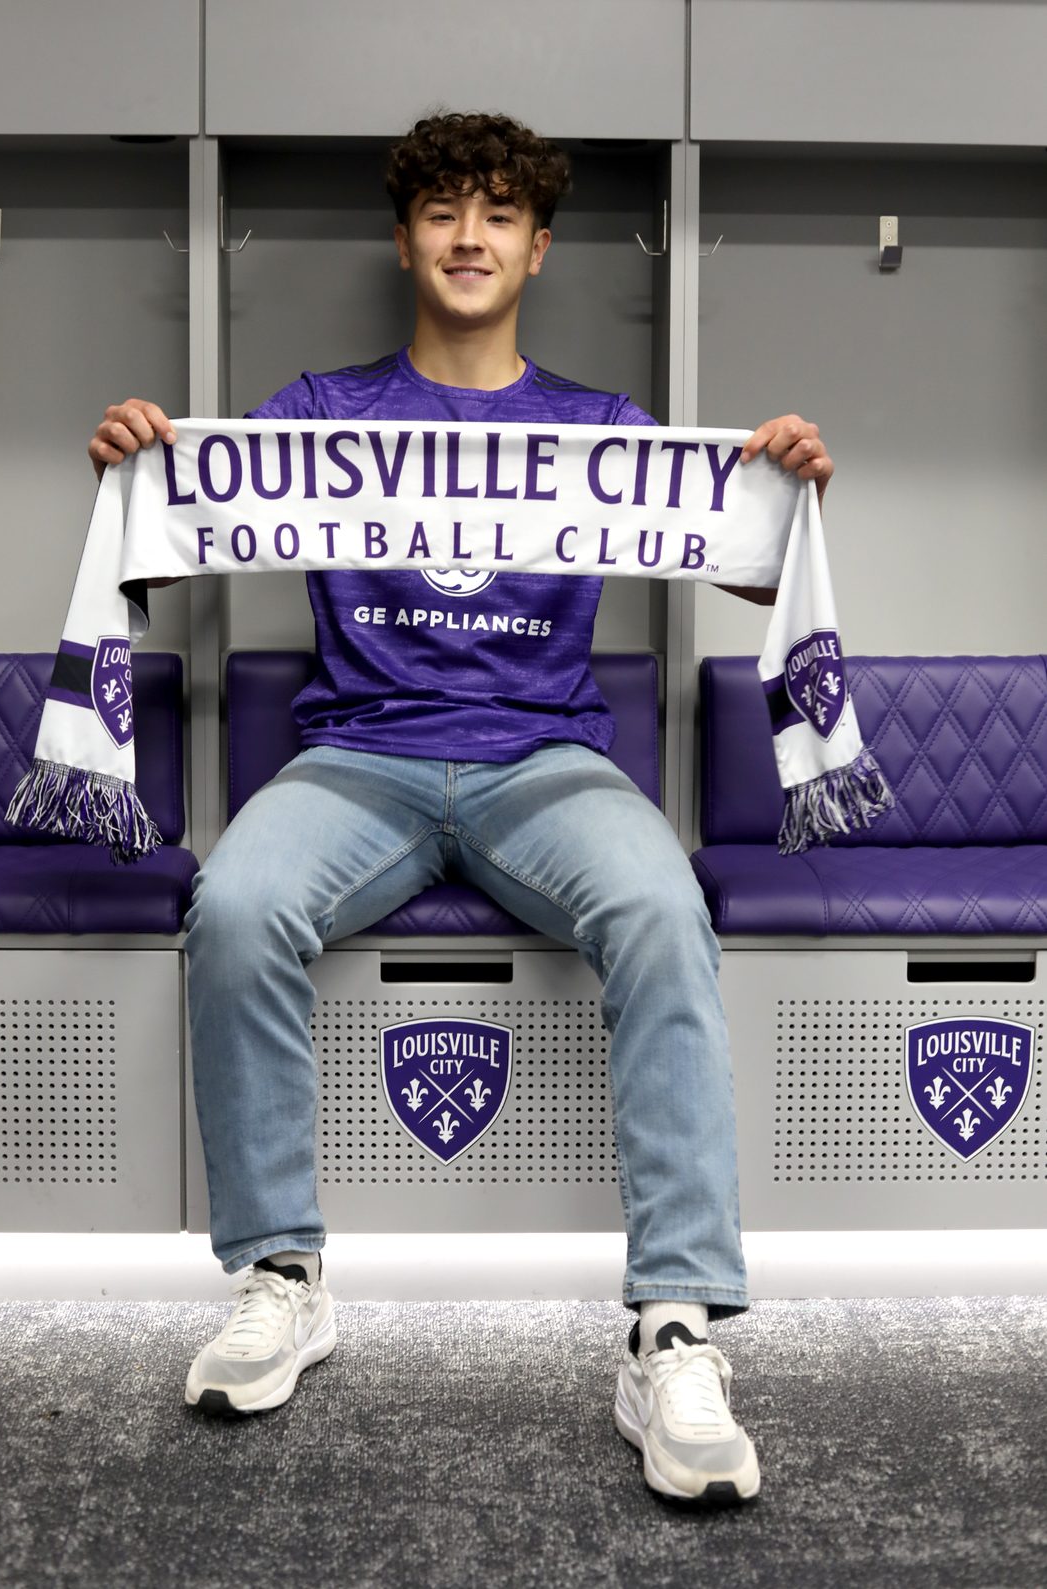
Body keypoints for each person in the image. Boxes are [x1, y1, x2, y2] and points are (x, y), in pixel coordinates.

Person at [88, 113, 832, 1504]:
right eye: (442, 211)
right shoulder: (317, 415)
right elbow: (183, 532)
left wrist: (777, 489)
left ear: (539, 248)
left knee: (668, 910)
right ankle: (283, 1277)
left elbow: (731, 562)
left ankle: (674, 1328)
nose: (470, 235)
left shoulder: (605, 431)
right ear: (405, 237)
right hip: (357, 756)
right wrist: (143, 464)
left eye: (499, 214)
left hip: (543, 761)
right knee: (236, 905)